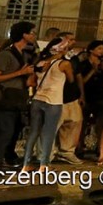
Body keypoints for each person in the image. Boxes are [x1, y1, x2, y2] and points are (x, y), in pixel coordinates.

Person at [0, 21, 37, 171]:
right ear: (24, 35)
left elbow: (25, 80)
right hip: (2, 98)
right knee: (3, 134)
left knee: (8, 134)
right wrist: (20, 73)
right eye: (32, 32)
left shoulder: (24, 55)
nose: (34, 35)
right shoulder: (6, 54)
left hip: (16, 98)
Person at [23, 36, 75, 171]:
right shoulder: (64, 64)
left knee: (33, 132)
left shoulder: (40, 62)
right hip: (53, 101)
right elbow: (71, 79)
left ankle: (26, 164)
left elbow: (30, 82)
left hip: (37, 99)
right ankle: (44, 165)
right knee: (48, 133)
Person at [52, 32, 85, 165]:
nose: (73, 42)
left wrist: (81, 94)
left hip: (72, 96)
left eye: (73, 39)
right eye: (70, 39)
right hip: (56, 96)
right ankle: (49, 153)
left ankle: (67, 152)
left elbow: (77, 76)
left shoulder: (73, 58)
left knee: (74, 122)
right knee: (53, 125)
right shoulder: (52, 56)